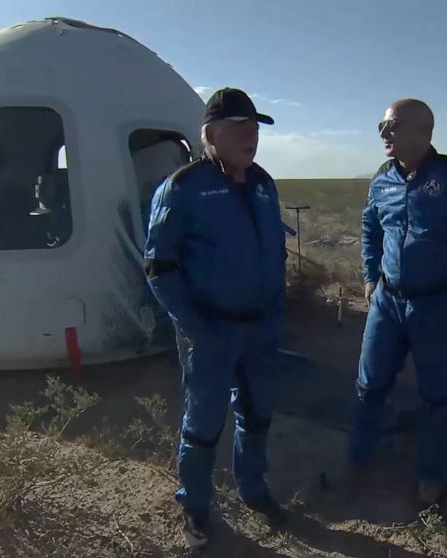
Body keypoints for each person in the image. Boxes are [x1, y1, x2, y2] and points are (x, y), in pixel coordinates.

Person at [144, 88, 287, 548]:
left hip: (260, 327)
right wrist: (192, 325)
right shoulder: (183, 188)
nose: (251, 136)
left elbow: (275, 254)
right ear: (209, 135)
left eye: (255, 127)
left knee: (257, 413)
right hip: (211, 329)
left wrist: (276, 311)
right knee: (204, 422)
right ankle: (197, 507)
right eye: (239, 127)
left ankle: (253, 488)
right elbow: (159, 266)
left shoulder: (264, 184)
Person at [352, 99, 447, 505]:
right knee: (369, 385)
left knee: (435, 395)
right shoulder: (382, 178)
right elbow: (370, 227)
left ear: (424, 131)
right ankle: (359, 459)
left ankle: (433, 474)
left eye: (392, 125)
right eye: (382, 125)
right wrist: (370, 275)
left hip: (435, 306)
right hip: (386, 302)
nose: (383, 133)